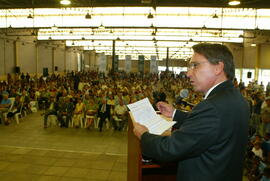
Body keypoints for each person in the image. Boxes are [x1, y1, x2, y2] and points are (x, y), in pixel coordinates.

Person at [133, 43, 250, 181]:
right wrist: (175, 114)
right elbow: (214, 125)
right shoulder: (238, 100)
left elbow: (169, 149)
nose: (188, 73)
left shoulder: (211, 107)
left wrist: (144, 135)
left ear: (218, 67)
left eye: (195, 65)